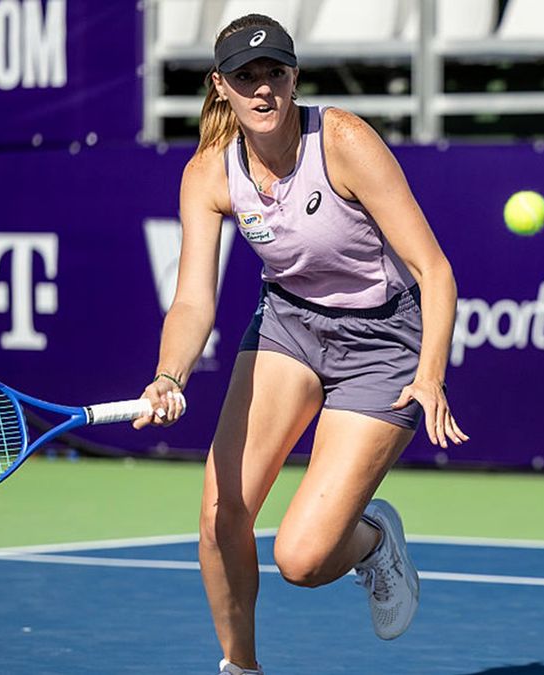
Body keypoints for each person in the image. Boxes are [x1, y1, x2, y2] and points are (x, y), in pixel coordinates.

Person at [132, 13, 468, 675]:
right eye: (245, 77)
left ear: (294, 78)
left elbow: (435, 270)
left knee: (302, 560)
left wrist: (430, 374)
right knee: (220, 514)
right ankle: (241, 668)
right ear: (220, 86)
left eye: (275, 74)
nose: (262, 91)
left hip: (383, 342)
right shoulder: (208, 174)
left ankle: (372, 540)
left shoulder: (341, 140)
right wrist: (170, 375)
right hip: (290, 326)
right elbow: (194, 299)